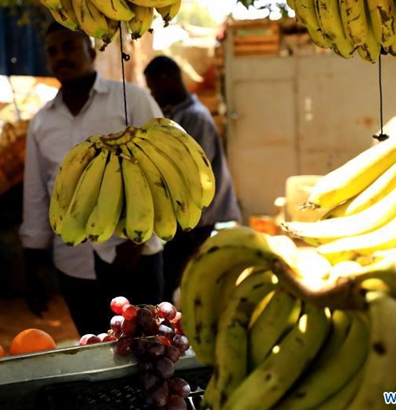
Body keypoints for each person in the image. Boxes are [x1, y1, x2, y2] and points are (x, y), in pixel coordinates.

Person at [20, 22, 165, 337]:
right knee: (94, 352)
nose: (62, 57)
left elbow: (160, 170)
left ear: (90, 51)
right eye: (53, 51)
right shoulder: (42, 122)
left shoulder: (131, 99)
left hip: (134, 258)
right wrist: (33, 263)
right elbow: (36, 194)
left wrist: (136, 241)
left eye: (70, 47)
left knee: (148, 352)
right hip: (74, 263)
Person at [143, 55, 242, 303]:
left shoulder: (195, 118)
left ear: (167, 79)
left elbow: (193, 174)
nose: (152, 93)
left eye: (152, 86)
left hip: (199, 216)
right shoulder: (176, 114)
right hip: (188, 217)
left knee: (174, 276)